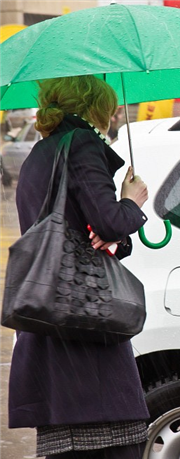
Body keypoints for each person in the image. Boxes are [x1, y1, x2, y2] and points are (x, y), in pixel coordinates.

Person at [8, 75, 150, 459]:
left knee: (65, 446)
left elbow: (75, 233)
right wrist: (132, 203)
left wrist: (115, 235)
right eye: (111, 106)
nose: (115, 114)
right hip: (87, 323)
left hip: (49, 318)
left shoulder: (41, 155)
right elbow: (108, 222)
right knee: (117, 442)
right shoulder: (83, 144)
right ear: (96, 107)